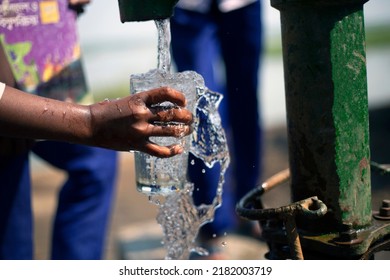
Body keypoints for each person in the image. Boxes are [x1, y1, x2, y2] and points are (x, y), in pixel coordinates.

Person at [0, 0, 192, 260]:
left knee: (95, 161)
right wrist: (91, 122)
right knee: (12, 239)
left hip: (34, 66)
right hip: (7, 110)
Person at [170, 0, 264, 258]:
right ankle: (211, 224)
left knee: (246, 102)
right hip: (189, 7)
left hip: (242, 5)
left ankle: (249, 206)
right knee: (200, 108)